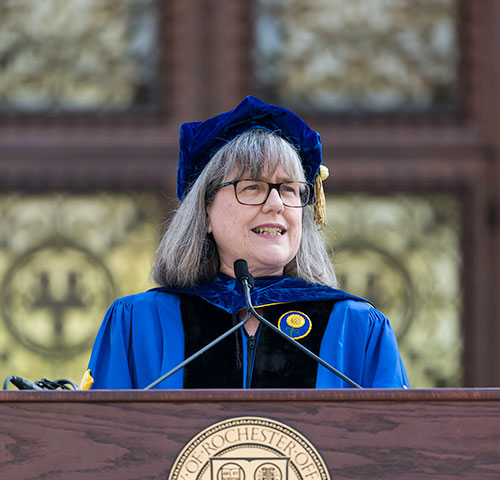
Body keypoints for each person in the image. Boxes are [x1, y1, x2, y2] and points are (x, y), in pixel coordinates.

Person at [83, 96, 409, 390]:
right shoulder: (138, 324)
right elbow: (99, 445)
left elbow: (396, 449)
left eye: (290, 189)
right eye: (252, 187)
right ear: (205, 212)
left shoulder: (356, 328)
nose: (277, 204)